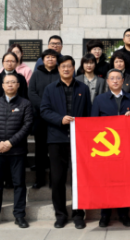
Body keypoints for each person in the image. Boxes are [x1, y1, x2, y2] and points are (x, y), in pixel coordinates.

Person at [40, 56, 92, 229]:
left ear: (74, 68)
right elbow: (44, 111)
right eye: (63, 66)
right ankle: (60, 215)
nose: (66, 69)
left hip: (79, 139)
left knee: (79, 178)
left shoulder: (83, 88)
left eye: (69, 66)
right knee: (57, 179)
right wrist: (59, 119)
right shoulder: (50, 89)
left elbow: (88, 112)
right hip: (57, 138)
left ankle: (78, 214)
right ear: (58, 69)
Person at [0, 73, 33, 229]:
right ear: (2, 85)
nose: (10, 84)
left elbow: (27, 126)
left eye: (13, 82)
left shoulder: (25, 104)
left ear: (18, 85)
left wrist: (10, 142)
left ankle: (19, 215)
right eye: (7, 82)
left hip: (17, 151)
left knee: (19, 184)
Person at [91, 69, 130, 228]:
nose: (115, 81)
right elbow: (93, 124)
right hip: (107, 150)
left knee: (125, 181)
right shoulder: (100, 99)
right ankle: (105, 215)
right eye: (112, 78)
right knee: (106, 181)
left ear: (123, 80)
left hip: (127, 148)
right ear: (107, 81)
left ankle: (124, 214)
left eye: (118, 78)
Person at [27, 49, 61, 189]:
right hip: (40, 117)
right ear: (43, 59)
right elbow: (31, 93)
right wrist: (44, 108)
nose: (50, 59)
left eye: (53, 57)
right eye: (48, 57)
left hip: (56, 118)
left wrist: (53, 110)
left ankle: (54, 180)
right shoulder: (36, 74)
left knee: (55, 151)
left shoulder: (60, 73)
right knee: (40, 150)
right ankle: (39, 179)